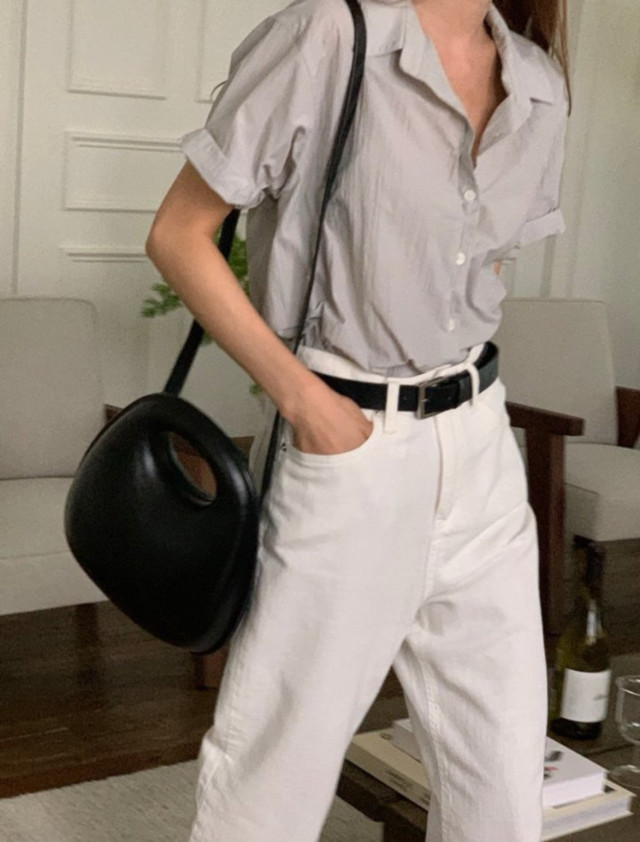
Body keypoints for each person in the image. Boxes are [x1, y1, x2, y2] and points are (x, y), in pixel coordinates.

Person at [145, 0, 571, 839]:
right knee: (278, 767)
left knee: (503, 773)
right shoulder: (332, 35)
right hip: (349, 443)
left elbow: (480, 264)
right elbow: (178, 233)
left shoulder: (539, 83)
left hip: (480, 448)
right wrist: (304, 400)